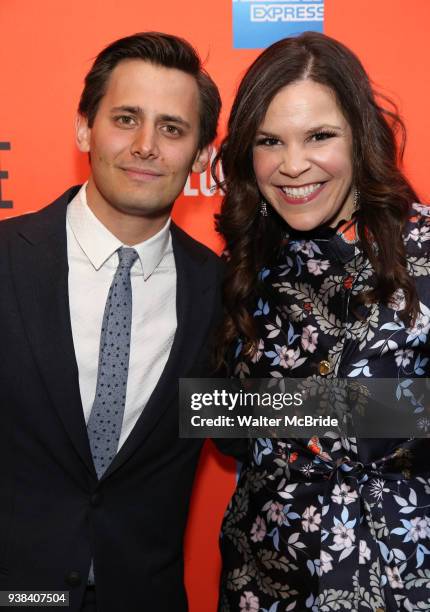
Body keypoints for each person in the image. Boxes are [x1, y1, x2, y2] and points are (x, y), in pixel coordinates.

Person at [0, 31, 234, 612]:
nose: (147, 146)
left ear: (203, 154)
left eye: (173, 129)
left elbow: (244, 418)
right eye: (127, 118)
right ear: (85, 128)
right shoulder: (6, 260)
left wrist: (402, 405)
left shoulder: (220, 290)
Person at [214, 32, 430, 611]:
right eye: (269, 141)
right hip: (267, 583)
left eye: (319, 136)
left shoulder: (425, 251)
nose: (292, 165)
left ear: (360, 136)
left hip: (405, 580)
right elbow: (215, 422)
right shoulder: (241, 270)